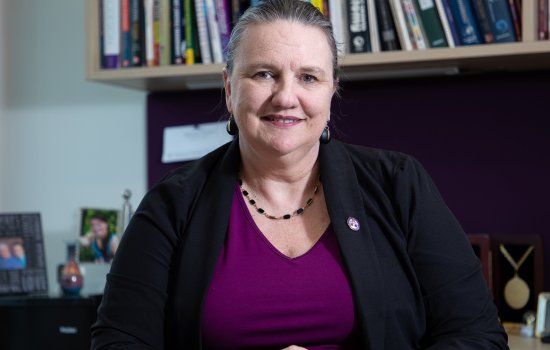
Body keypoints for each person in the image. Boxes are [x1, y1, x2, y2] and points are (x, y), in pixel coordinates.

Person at [91, 0, 508, 348]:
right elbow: (118, 343)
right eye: (264, 74)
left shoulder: (399, 184)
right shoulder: (171, 205)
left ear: (332, 90)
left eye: (308, 77)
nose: (286, 96)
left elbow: (479, 336)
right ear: (229, 87)